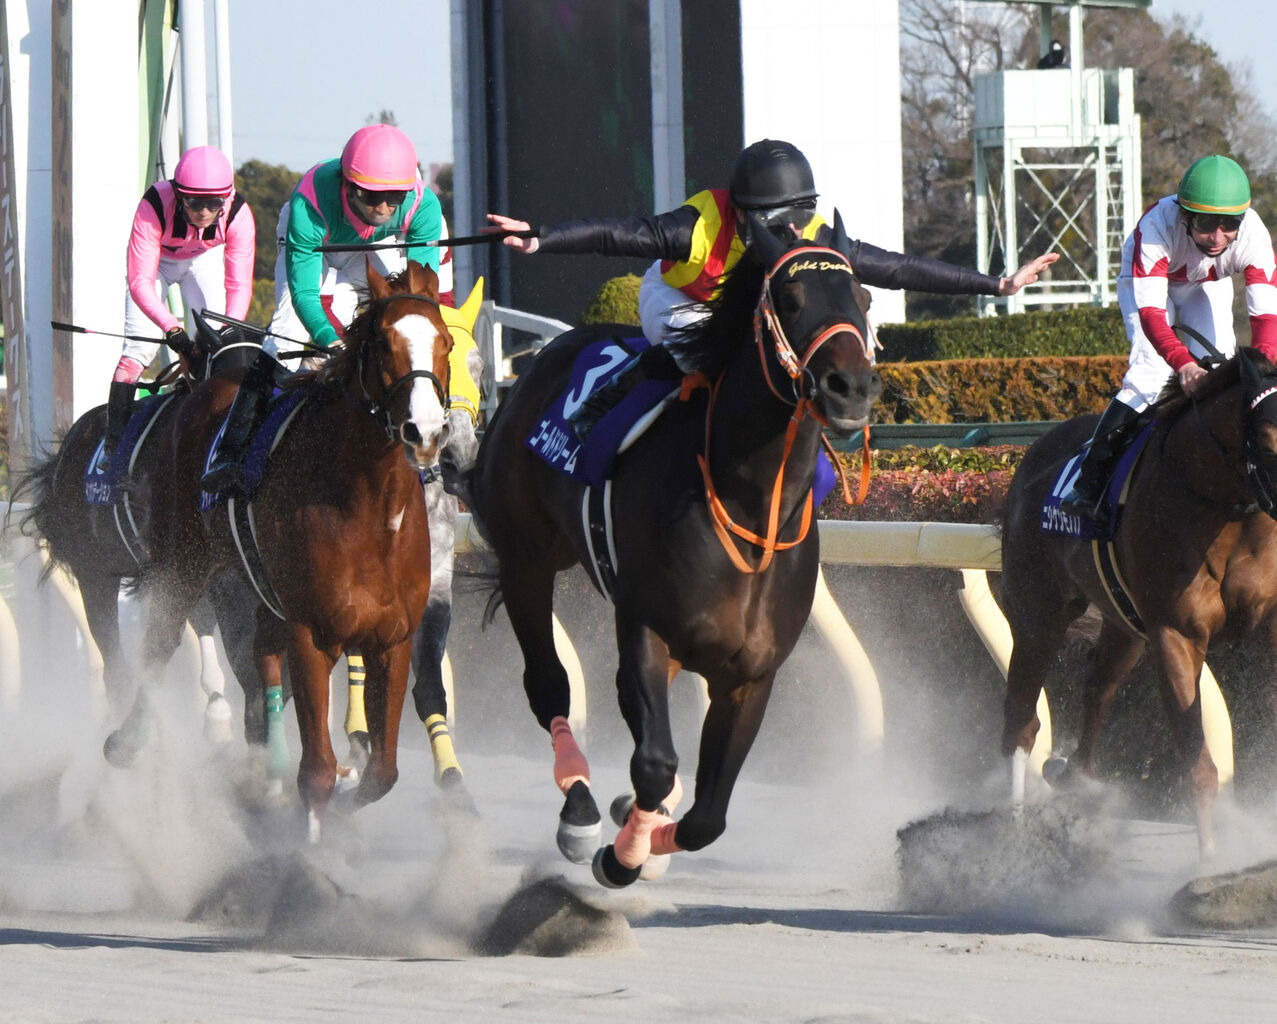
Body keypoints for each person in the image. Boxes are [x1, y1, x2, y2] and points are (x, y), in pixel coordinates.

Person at [487, 138, 1057, 438]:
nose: (792, 231)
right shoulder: (699, 225)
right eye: (778, 221)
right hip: (681, 299)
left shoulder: (810, 235)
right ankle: (604, 403)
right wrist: (542, 238)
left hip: (749, 304)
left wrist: (997, 283)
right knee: (702, 353)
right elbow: (616, 234)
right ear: (747, 212)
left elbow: (898, 268)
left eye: (798, 216)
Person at [201, 123, 443, 493]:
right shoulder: (309, 203)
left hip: (374, 247)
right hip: (320, 247)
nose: (381, 208)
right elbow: (304, 298)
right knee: (284, 336)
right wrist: (331, 340)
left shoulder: (424, 206)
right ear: (347, 185)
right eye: (370, 196)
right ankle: (230, 452)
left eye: (394, 198)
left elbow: (420, 293)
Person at [1059, 154, 1277, 522]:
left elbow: (1267, 319)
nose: (1218, 237)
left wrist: (1263, 370)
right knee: (1150, 373)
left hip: (1204, 286)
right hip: (1149, 290)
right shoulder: (1156, 227)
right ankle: (1089, 482)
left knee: (1222, 372)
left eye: (1230, 225)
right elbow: (1152, 318)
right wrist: (1183, 364)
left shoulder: (1254, 235)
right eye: (1207, 223)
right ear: (1185, 215)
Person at [104, 144, 255, 469]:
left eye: (213, 204)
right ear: (178, 194)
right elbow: (140, 283)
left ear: (226, 198)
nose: (203, 213)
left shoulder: (239, 213)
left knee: (222, 340)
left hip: (201, 261)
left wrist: (227, 329)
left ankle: (217, 432)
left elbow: (239, 286)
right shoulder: (155, 203)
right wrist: (174, 331)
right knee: (138, 353)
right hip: (155, 266)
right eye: (194, 203)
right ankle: (112, 446)